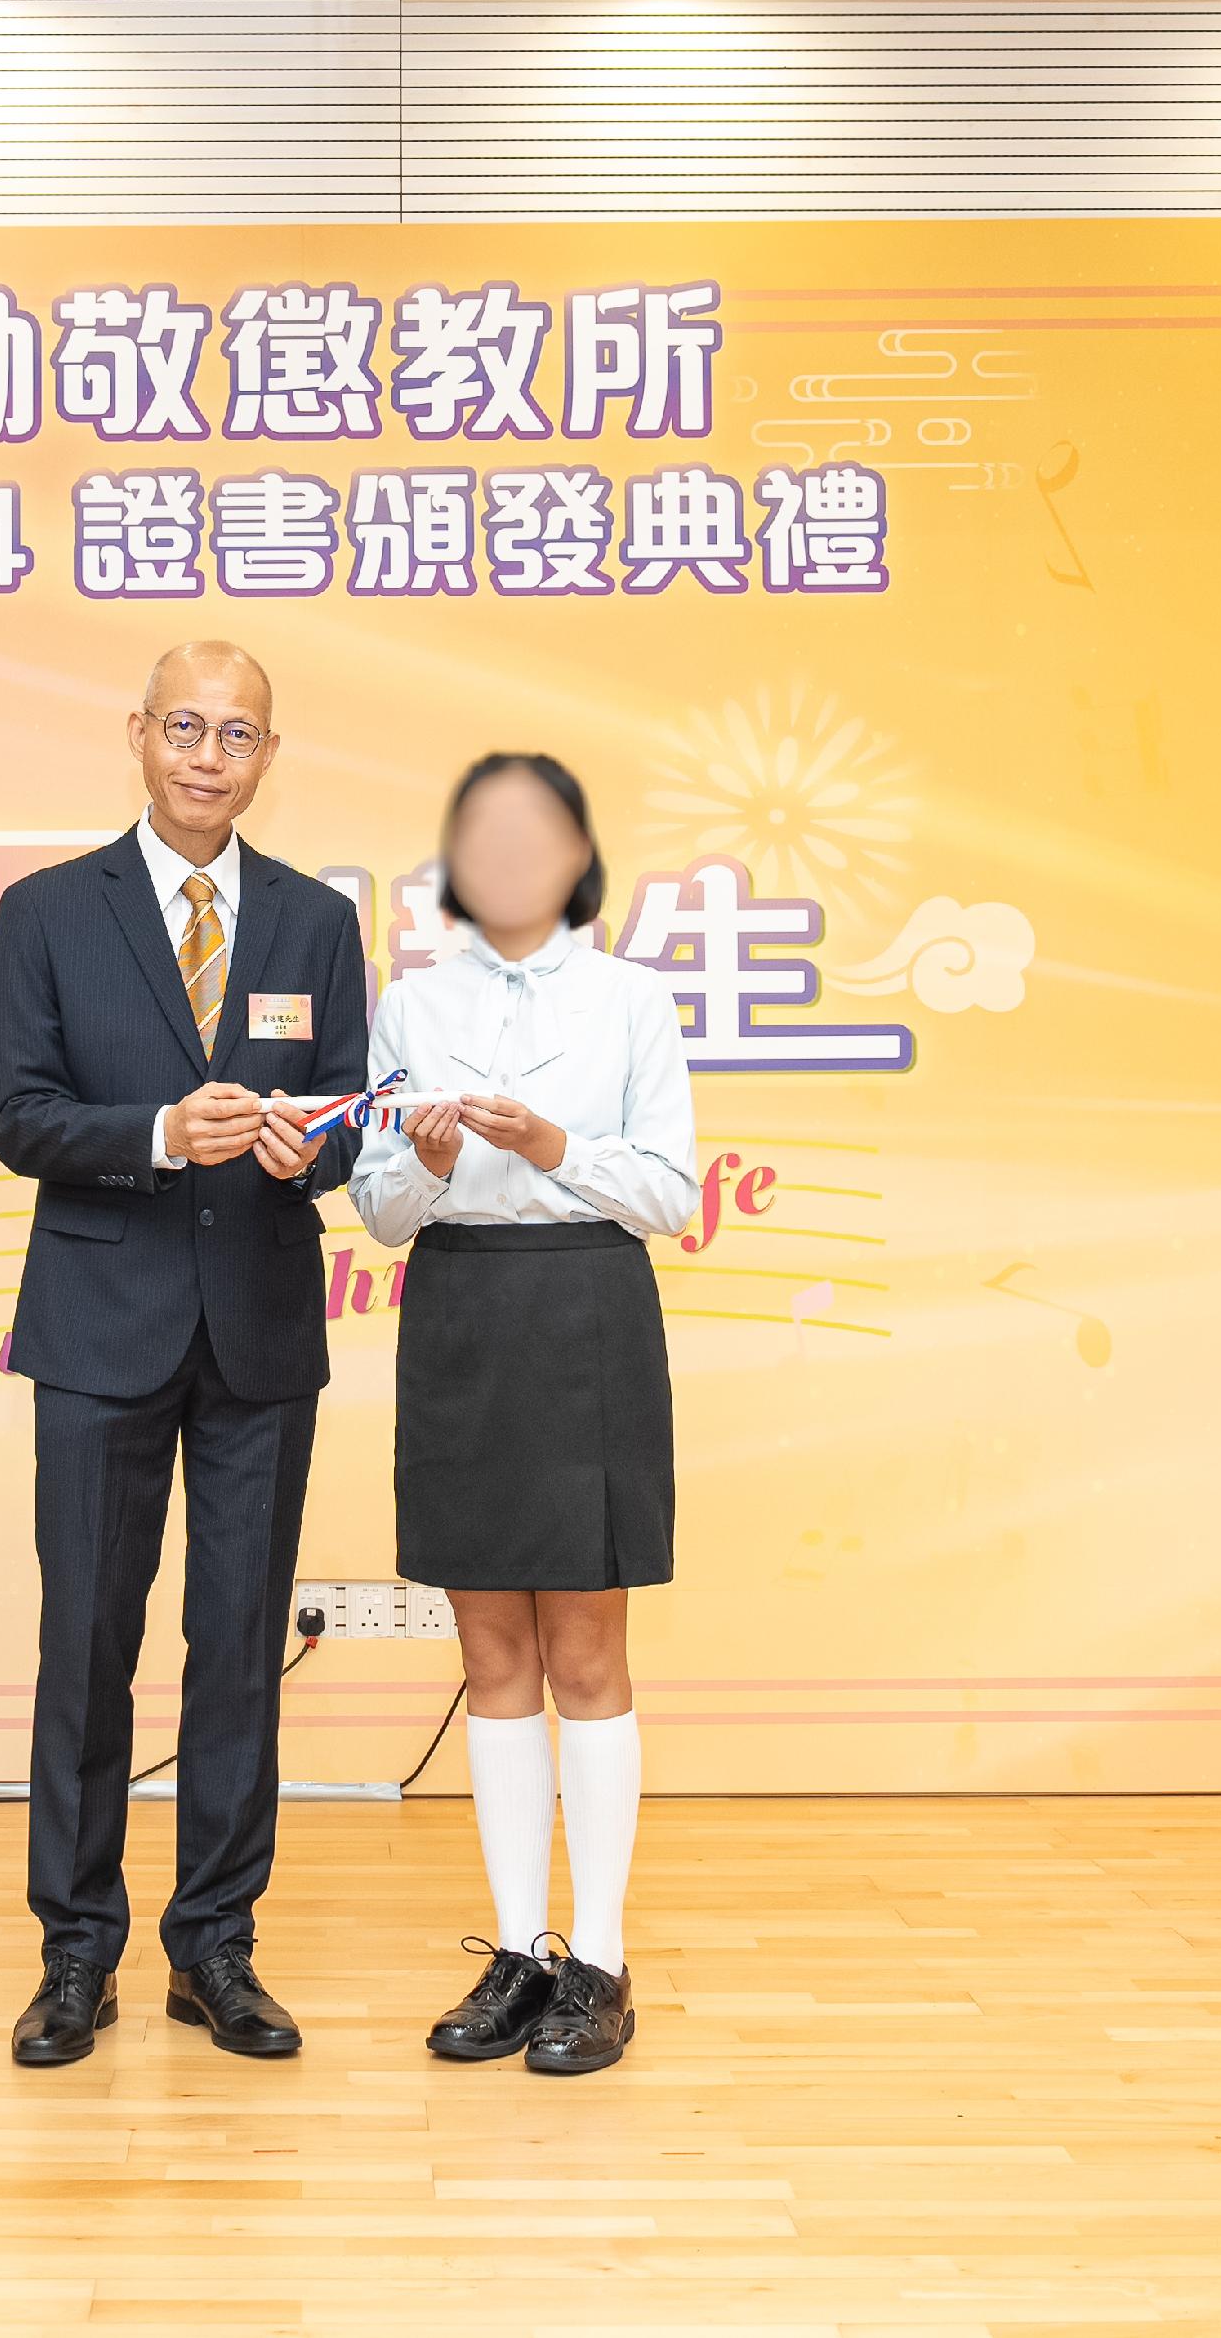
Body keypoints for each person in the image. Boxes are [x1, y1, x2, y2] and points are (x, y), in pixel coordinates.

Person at [0, 640, 371, 2067]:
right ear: (138, 733)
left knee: (237, 1657)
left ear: (270, 754)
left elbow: (345, 1121)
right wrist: (156, 1131)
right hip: (99, 1329)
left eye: (242, 734)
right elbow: (18, 1115)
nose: (212, 755)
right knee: (86, 1648)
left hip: (260, 1332)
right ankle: (74, 1949)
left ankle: (215, 1944)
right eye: (188, 727)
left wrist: (305, 1143)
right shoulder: (44, 911)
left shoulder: (316, 922)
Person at [344, 754, 695, 2076]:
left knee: (587, 1650)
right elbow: (376, 1209)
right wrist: (425, 1167)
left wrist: (555, 1147)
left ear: (576, 851)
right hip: (459, 1312)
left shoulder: (630, 999)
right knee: (490, 1648)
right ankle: (520, 1946)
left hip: (586, 1311)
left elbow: (668, 1193)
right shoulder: (411, 1002)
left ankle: (599, 1961)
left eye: (532, 829)